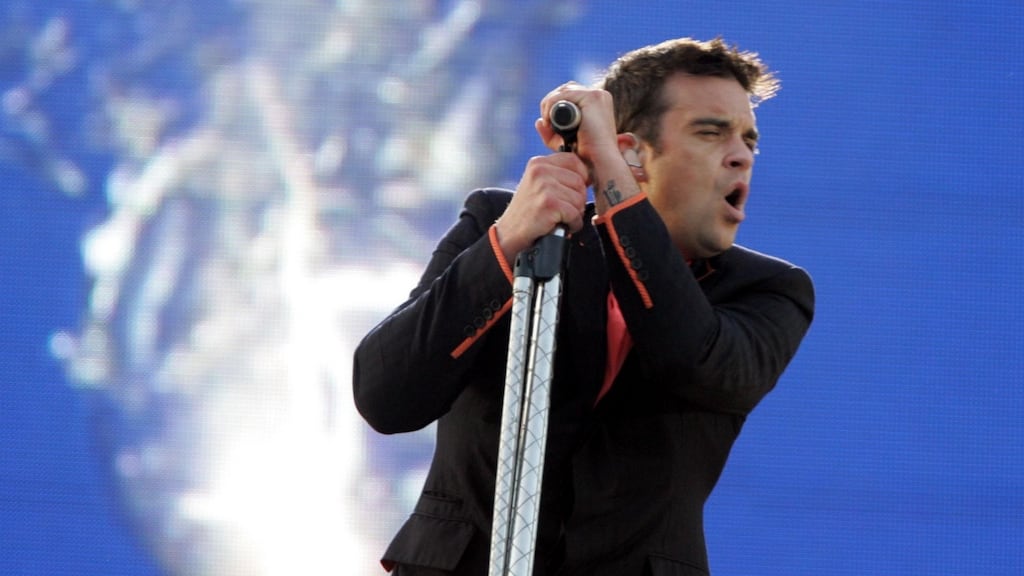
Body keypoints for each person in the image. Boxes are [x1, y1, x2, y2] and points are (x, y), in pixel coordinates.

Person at [353, 37, 814, 576]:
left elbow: (692, 357)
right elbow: (388, 396)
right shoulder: (506, 225)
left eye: (749, 140)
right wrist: (505, 245)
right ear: (635, 150)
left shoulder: (770, 290)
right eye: (710, 132)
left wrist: (611, 178)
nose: (741, 155)